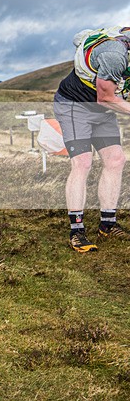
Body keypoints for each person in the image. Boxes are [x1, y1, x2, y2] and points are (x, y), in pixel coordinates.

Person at [53, 26, 130, 253]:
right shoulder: (115, 56)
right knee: (83, 162)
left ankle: (107, 224)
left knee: (116, 160)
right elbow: (105, 97)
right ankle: (76, 231)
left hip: (101, 111)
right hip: (74, 105)